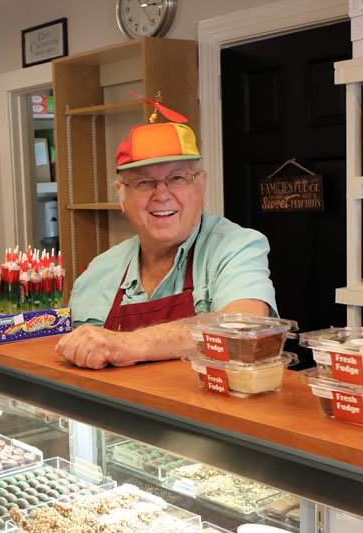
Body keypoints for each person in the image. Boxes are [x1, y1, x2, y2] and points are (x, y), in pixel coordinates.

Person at [55, 96, 277, 370]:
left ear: (201, 187)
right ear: (122, 197)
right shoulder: (96, 275)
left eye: (177, 178)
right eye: (144, 182)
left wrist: (127, 344)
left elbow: (245, 327)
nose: (162, 195)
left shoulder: (236, 246)